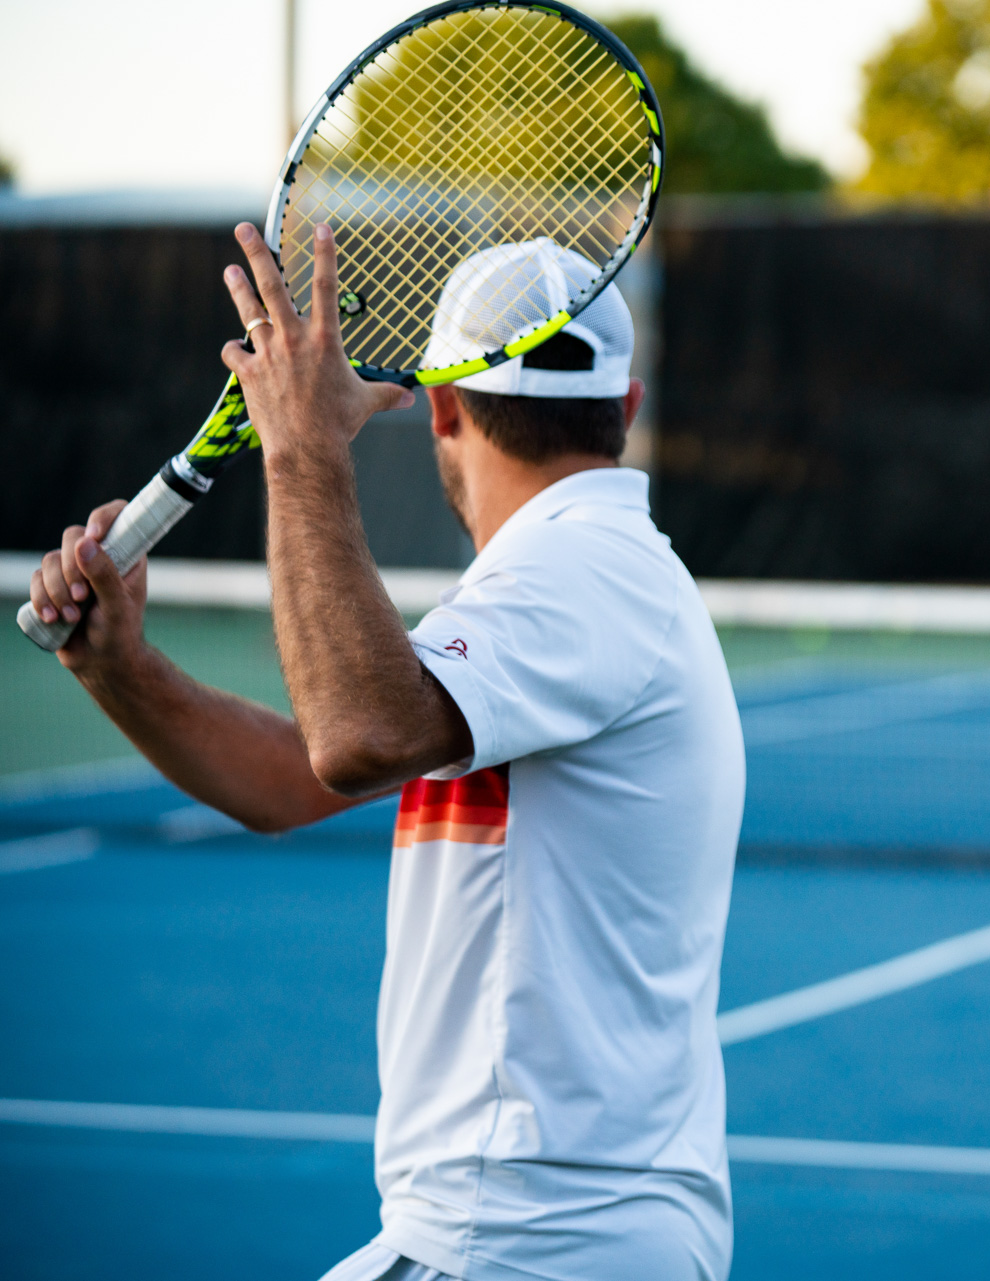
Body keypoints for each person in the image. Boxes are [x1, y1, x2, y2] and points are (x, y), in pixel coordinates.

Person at [27, 226, 745, 1281]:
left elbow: (354, 737)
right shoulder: (573, 579)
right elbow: (294, 778)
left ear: (442, 407)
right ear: (625, 408)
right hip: (542, 1236)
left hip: (527, 1239)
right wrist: (118, 667)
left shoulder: (581, 567)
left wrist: (303, 447)